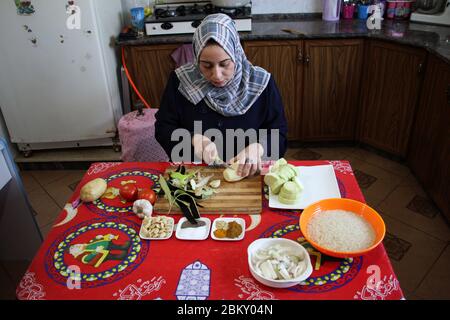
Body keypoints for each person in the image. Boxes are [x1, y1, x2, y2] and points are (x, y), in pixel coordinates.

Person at [155, 13, 287, 178]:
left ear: (236, 54)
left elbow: (279, 133)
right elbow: (163, 128)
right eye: (206, 65)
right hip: (195, 175)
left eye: (224, 64)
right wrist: (193, 139)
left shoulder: (261, 83)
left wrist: (259, 148)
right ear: (197, 59)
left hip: (247, 175)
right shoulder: (180, 81)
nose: (216, 75)